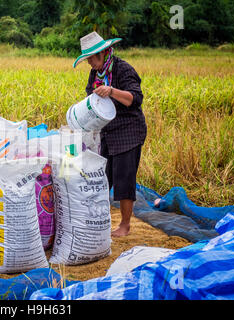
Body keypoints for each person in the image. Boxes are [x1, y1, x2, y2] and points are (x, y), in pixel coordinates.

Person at [73, 31, 147, 237]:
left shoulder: (123, 69)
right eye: (87, 59)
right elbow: (90, 97)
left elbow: (135, 98)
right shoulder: (95, 74)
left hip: (129, 130)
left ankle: (125, 225)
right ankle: (100, 220)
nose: (89, 63)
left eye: (91, 58)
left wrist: (111, 91)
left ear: (104, 53)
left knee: (125, 177)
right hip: (108, 131)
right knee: (102, 177)